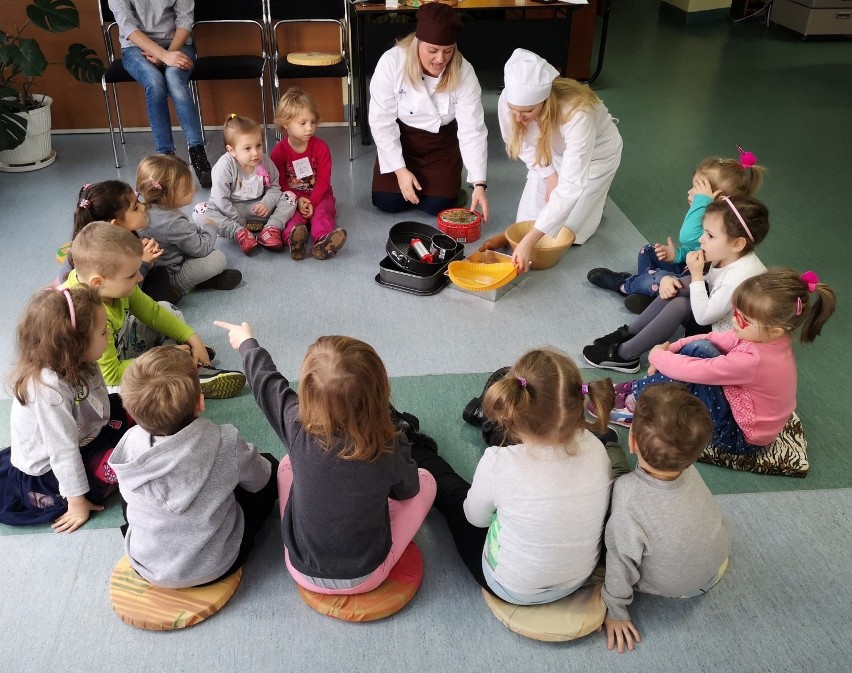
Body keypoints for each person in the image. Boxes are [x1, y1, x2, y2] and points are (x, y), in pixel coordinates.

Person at [215, 320, 437, 595]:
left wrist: (247, 344)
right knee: (427, 481)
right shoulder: (389, 443)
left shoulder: (294, 422)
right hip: (367, 574)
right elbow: (408, 491)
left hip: (300, 568)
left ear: (307, 391)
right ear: (379, 392)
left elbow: (267, 383)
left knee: (286, 464)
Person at [411, 348, 618, 605]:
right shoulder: (597, 449)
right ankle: (491, 426)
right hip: (576, 579)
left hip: (511, 588)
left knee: (452, 494)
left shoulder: (498, 463)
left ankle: (412, 441)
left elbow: (475, 519)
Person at [603, 268, 836, 454]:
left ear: (775, 330)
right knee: (699, 348)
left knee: (694, 367)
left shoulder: (755, 361)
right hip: (744, 411)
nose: (735, 322)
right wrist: (671, 348)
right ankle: (639, 391)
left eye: (743, 320)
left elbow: (699, 371)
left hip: (739, 439)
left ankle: (638, 401)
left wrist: (657, 356)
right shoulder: (767, 337)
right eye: (735, 312)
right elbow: (712, 337)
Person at [108, 346, 279, 588]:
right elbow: (261, 480)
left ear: (132, 411)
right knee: (270, 465)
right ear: (201, 402)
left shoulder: (128, 445)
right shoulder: (224, 440)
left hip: (147, 566)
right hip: (217, 565)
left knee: (133, 494)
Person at [601, 383, 731, 654]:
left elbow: (620, 562)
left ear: (632, 441)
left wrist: (616, 611)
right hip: (715, 565)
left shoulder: (626, 495)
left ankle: (607, 443)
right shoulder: (689, 470)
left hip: (674, 586)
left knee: (610, 528)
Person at [583, 194, 769, 375]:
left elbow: (704, 317)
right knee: (677, 288)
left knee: (680, 304)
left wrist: (696, 274)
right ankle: (631, 332)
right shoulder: (727, 254)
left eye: (710, 235)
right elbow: (708, 284)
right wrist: (675, 281)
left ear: (737, 244)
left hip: (724, 340)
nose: (701, 239)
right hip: (715, 315)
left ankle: (625, 355)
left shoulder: (739, 278)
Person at [62, 221, 245, 398]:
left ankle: (179, 358)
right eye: (132, 275)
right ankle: (184, 376)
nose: (140, 277)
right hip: (103, 376)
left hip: (121, 346)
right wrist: (163, 359)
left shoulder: (112, 285)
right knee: (119, 394)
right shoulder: (86, 315)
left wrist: (192, 337)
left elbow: (153, 313)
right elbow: (110, 375)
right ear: (98, 282)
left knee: (165, 308)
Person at [0, 285, 130, 531]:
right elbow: (63, 450)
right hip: (51, 470)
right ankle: (92, 484)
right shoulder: (48, 390)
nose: (109, 337)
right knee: (117, 464)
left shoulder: (82, 361)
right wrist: (77, 501)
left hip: (83, 430)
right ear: (75, 344)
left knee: (129, 405)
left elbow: (100, 399)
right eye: (103, 332)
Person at [588, 148, 766, 314]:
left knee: (660, 278)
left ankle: (624, 285)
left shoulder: (723, 228)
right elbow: (696, 248)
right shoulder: (711, 217)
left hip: (693, 281)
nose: (689, 193)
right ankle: (649, 292)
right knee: (649, 251)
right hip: (688, 265)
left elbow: (687, 236)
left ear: (716, 198)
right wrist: (677, 254)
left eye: (696, 190)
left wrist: (701, 201)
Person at [500, 48, 622, 267]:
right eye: (513, 110)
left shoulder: (578, 114)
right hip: (549, 152)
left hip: (595, 157)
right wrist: (550, 175)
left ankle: (596, 199)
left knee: (565, 234)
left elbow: (571, 184)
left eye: (526, 112)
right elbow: (525, 145)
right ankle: (586, 199)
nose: (518, 118)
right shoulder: (510, 101)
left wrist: (530, 240)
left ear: (544, 103)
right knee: (525, 225)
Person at [369, 2, 489, 220]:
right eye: (432, 51)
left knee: (438, 207)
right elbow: (381, 122)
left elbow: (472, 129)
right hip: (403, 140)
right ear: (417, 44)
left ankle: (449, 187)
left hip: (441, 145)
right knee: (386, 201)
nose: (440, 59)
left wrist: (479, 183)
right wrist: (400, 170)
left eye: (447, 51)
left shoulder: (464, 72)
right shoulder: (391, 63)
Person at [108, 0, 212, 187]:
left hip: (177, 45)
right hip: (135, 49)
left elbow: (185, 19)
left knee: (174, 79)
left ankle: (198, 153)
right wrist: (163, 56)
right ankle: (166, 159)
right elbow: (127, 26)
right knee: (155, 84)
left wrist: (167, 55)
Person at [136, 154, 242, 295]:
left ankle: (202, 281)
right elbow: (201, 248)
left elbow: (184, 235)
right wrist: (210, 227)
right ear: (167, 195)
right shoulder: (172, 221)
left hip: (152, 270)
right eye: (186, 188)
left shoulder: (142, 210)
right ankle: (185, 286)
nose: (193, 189)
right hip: (170, 276)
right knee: (218, 258)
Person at [192, 114, 297, 256]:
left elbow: (274, 186)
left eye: (258, 145)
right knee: (200, 210)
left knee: (290, 197)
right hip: (232, 212)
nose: (255, 153)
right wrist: (239, 222)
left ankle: (270, 229)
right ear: (232, 150)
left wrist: (267, 203)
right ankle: (239, 233)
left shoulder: (264, 161)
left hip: (260, 211)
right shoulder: (224, 166)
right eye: (247, 148)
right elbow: (220, 200)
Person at [66, 180, 179, 304]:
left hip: (133, 289)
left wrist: (149, 263)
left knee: (159, 273)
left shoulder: (127, 235)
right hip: (119, 301)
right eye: (135, 208)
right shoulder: (101, 255)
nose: (143, 207)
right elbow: (124, 288)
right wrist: (144, 263)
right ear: (116, 224)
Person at [270, 88, 347, 261]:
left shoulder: (321, 148)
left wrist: (312, 201)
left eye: (313, 122)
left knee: (321, 214)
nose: (309, 128)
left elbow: (324, 181)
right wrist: (297, 201)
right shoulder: (278, 152)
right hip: (292, 199)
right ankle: (294, 240)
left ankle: (324, 241)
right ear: (286, 124)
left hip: (320, 195)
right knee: (291, 218)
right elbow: (280, 183)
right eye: (303, 123)